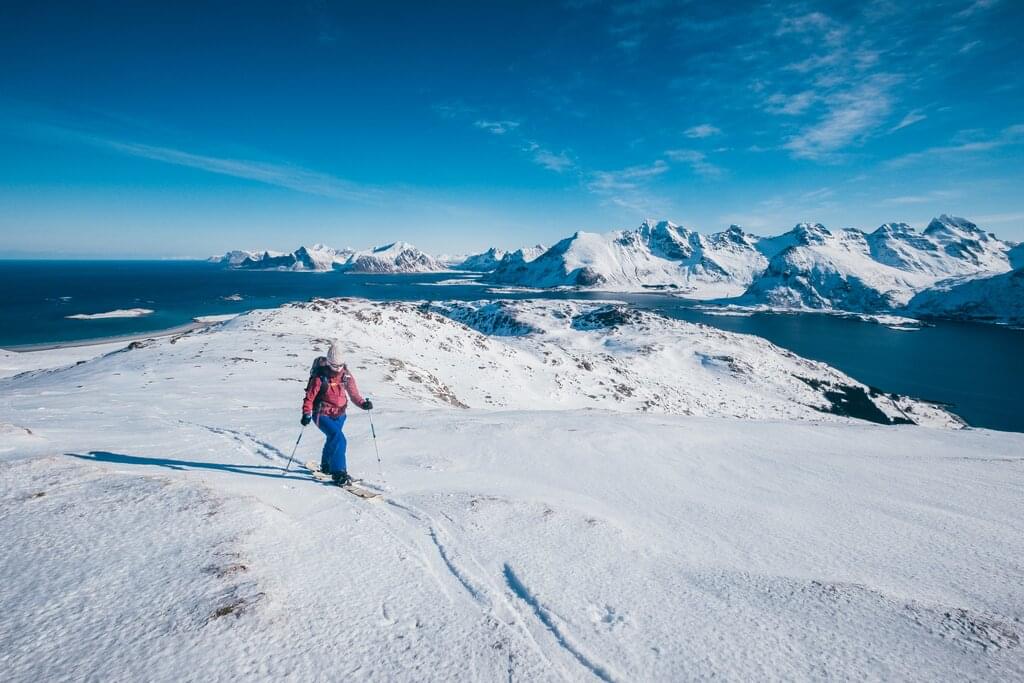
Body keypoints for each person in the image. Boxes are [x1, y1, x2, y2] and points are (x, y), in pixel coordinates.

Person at [301, 340, 373, 485]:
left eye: (340, 365)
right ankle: (339, 472)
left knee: (333, 438)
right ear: (328, 362)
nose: (338, 368)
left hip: (340, 415)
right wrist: (306, 413)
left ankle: (326, 466)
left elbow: (354, 394)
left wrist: (363, 404)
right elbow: (310, 397)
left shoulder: (346, 375)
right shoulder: (320, 377)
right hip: (322, 414)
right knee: (339, 439)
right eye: (334, 365)